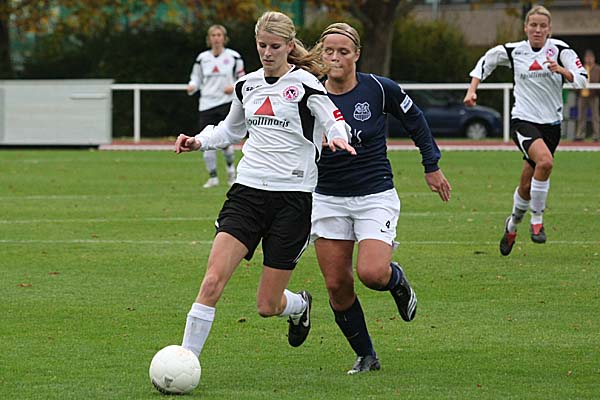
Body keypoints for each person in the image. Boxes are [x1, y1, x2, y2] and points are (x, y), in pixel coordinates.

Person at [173, 11, 356, 368]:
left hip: (292, 200)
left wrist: (338, 138)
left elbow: (334, 120)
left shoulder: (306, 84)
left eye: (275, 46)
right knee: (212, 282)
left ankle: (299, 305)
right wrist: (199, 141)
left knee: (267, 305)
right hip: (247, 193)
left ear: (289, 45)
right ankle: (185, 362)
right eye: (262, 46)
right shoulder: (247, 85)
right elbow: (230, 130)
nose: (267, 53)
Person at [312, 23, 452, 375]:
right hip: (326, 198)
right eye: (329, 51)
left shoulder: (378, 88)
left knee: (372, 273)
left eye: (343, 51)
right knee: (337, 285)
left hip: (374, 194)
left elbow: (415, 120)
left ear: (357, 54)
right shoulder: (309, 91)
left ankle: (396, 279)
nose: (335, 58)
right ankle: (367, 356)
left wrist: (431, 165)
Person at [464, 5, 587, 256]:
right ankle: (537, 221)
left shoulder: (560, 50)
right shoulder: (514, 51)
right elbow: (486, 61)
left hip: (551, 126)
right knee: (546, 162)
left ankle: (512, 225)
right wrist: (472, 89)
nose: (537, 30)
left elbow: (582, 79)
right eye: (533, 25)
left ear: (549, 29)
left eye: (542, 26)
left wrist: (562, 71)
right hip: (523, 121)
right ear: (525, 28)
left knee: (526, 185)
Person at [187, 24, 245, 188]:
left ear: (224, 38)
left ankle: (231, 171)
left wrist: (233, 86)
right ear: (209, 38)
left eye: (219, 35)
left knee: (226, 143)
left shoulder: (234, 57)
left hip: (226, 103)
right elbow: (196, 78)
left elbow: (242, 78)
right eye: (213, 35)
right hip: (206, 104)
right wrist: (192, 86)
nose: (216, 38)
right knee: (205, 141)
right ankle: (213, 177)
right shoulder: (202, 58)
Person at [575, 49, 600, 142]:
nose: (589, 59)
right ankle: (580, 135)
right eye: (587, 57)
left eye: (591, 57)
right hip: (582, 95)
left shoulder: (597, 69)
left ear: (594, 58)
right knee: (581, 116)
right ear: (584, 59)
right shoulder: (581, 68)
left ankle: (596, 135)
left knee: (595, 116)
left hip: (593, 95)